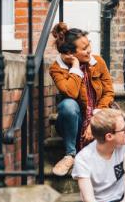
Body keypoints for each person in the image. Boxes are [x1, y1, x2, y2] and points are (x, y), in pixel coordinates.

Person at [49, 22, 115, 176]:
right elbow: (70, 92)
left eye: (89, 44)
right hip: (73, 121)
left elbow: (109, 92)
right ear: (71, 53)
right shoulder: (56, 68)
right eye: (84, 49)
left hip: (95, 115)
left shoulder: (98, 62)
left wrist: (95, 119)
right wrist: (76, 67)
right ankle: (70, 155)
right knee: (68, 105)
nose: (89, 50)